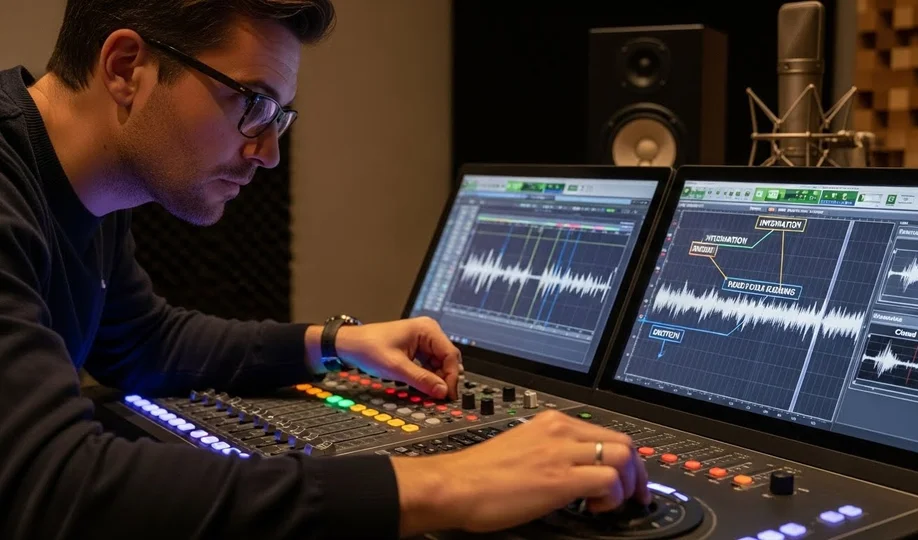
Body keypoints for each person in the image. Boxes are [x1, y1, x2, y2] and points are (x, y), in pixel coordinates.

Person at [0, 1, 651, 538]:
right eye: (251, 103)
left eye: (279, 115)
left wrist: (335, 344)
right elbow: (57, 487)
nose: (268, 152)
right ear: (124, 68)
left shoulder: (88, 192)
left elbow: (144, 342)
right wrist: (451, 481)